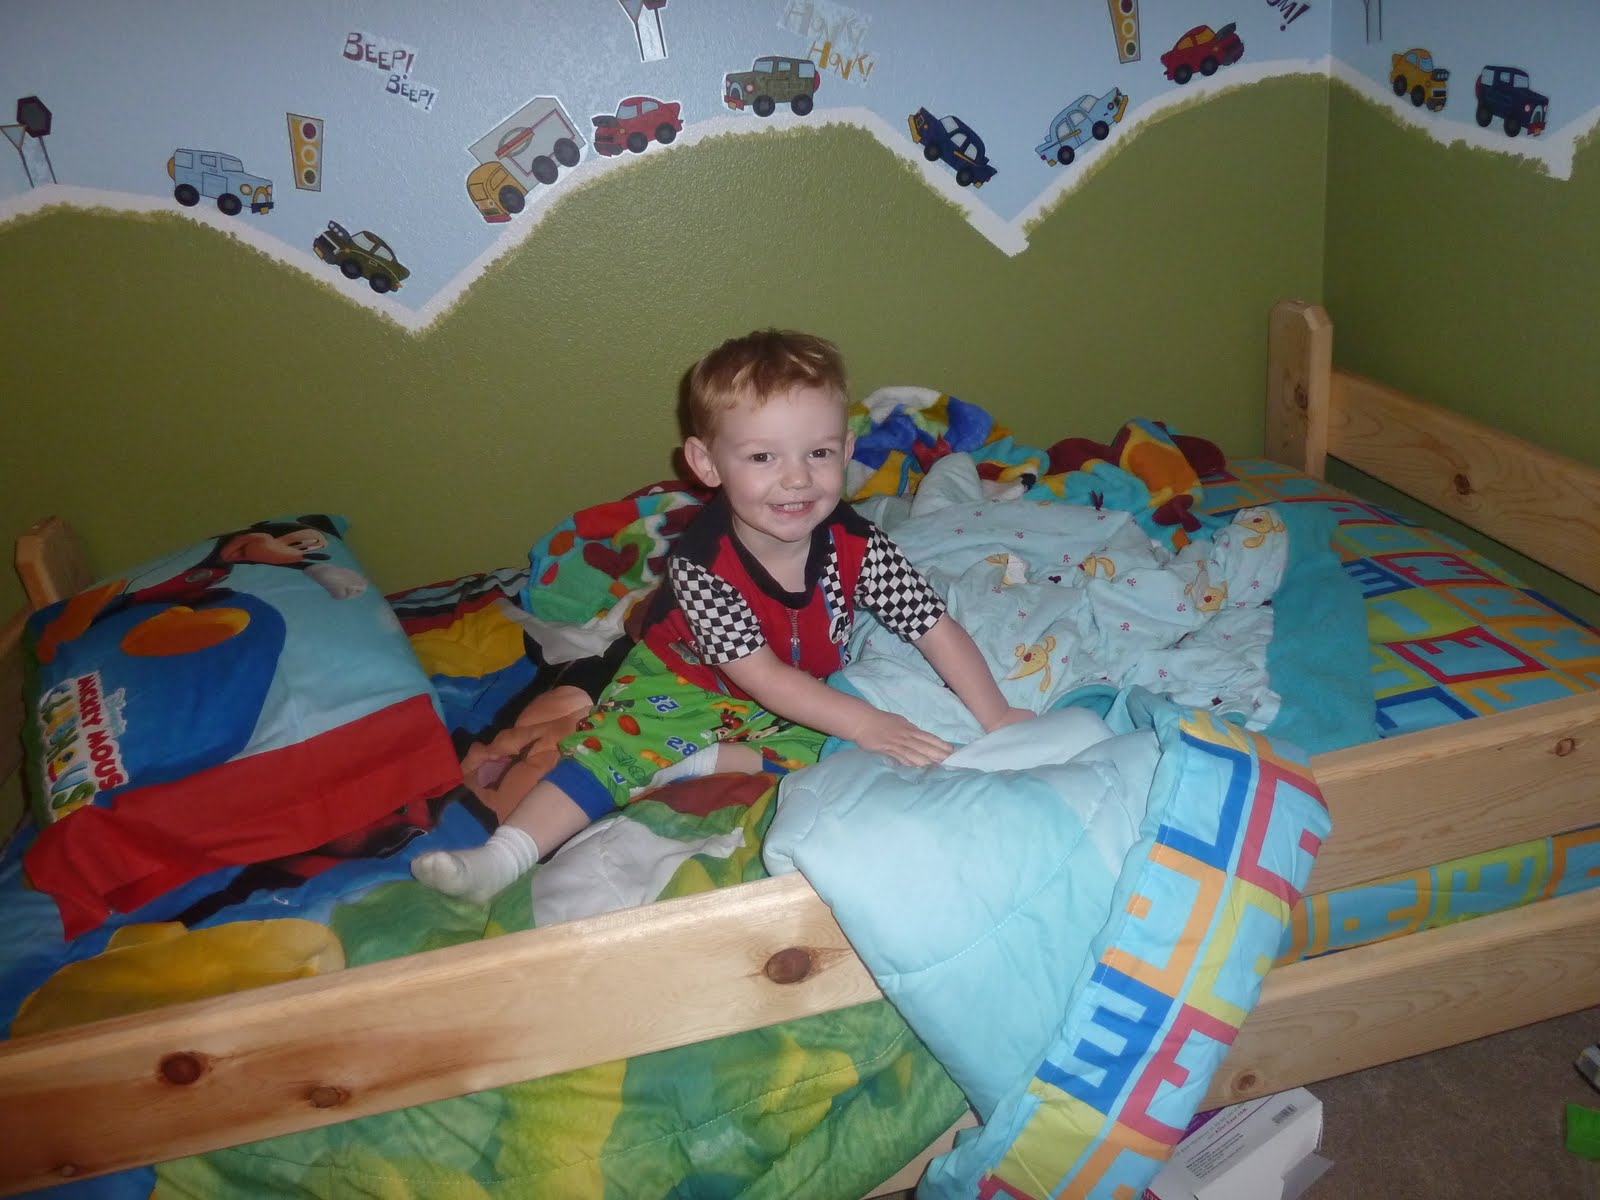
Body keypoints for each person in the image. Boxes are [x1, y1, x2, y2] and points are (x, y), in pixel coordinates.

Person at [411, 330, 1032, 903]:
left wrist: (996, 713)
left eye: (818, 452)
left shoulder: (860, 544)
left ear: (846, 450)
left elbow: (932, 625)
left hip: (803, 687)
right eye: (763, 458)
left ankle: (701, 761)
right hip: (691, 680)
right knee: (609, 753)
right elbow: (758, 675)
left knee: (851, 757)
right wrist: (869, 721)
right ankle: (500, 859)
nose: (796, 479)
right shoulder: (702, 566)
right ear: (708, 465)